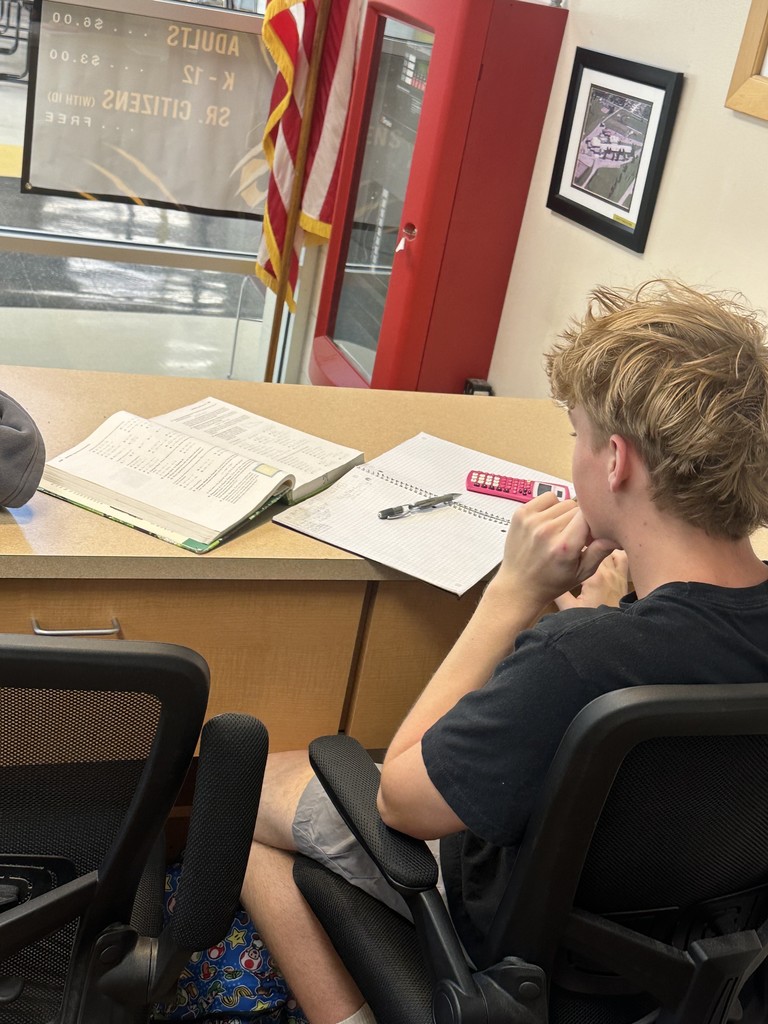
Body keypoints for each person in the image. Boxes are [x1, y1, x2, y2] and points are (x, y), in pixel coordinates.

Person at [242, 279, 768, 1024]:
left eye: (578, 437)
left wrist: (513, 594)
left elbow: (402, 800)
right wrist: (619, 613)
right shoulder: (607, 640)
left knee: (253, 788)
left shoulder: (580, 657)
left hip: (516, 952)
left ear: (615, 461)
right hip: (703, 952)